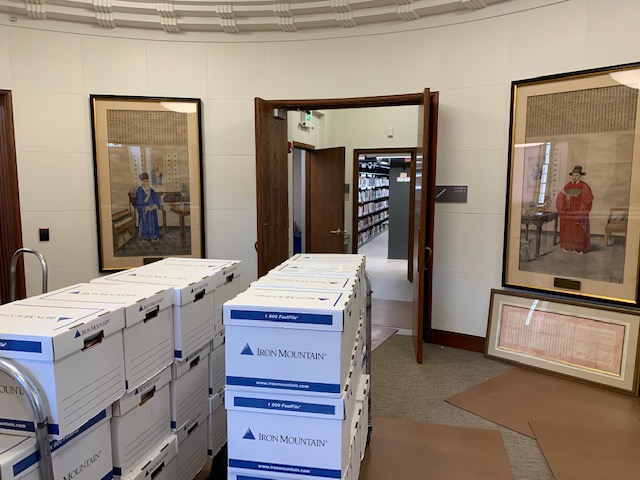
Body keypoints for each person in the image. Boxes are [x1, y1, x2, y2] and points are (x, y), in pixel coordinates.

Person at [555, 165, 593, 253]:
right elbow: (561, 196)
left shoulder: (584, 186)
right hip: (568, 212)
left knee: (578, 230)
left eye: (576, 175)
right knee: (567, 228)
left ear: (580, 176)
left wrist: (572, 199)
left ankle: (579, 248)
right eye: (573, 175)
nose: (574, 177)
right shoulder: (568, 185)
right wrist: (566, 197)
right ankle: (568, 246)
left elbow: (587, 200)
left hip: (578, 212)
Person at [135, 172, 162, 242]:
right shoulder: (139, 191)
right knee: (145, 222)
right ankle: (145, 236)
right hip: (145, 210)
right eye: (145, 181)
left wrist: (160, 198)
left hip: (152, 209)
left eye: (147, 181)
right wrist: (145, 207)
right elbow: (139, 202)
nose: (147, 183)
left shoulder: (151, 190)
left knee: (153, 222)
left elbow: (155, 197)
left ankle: (154, 236)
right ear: (142, 182)